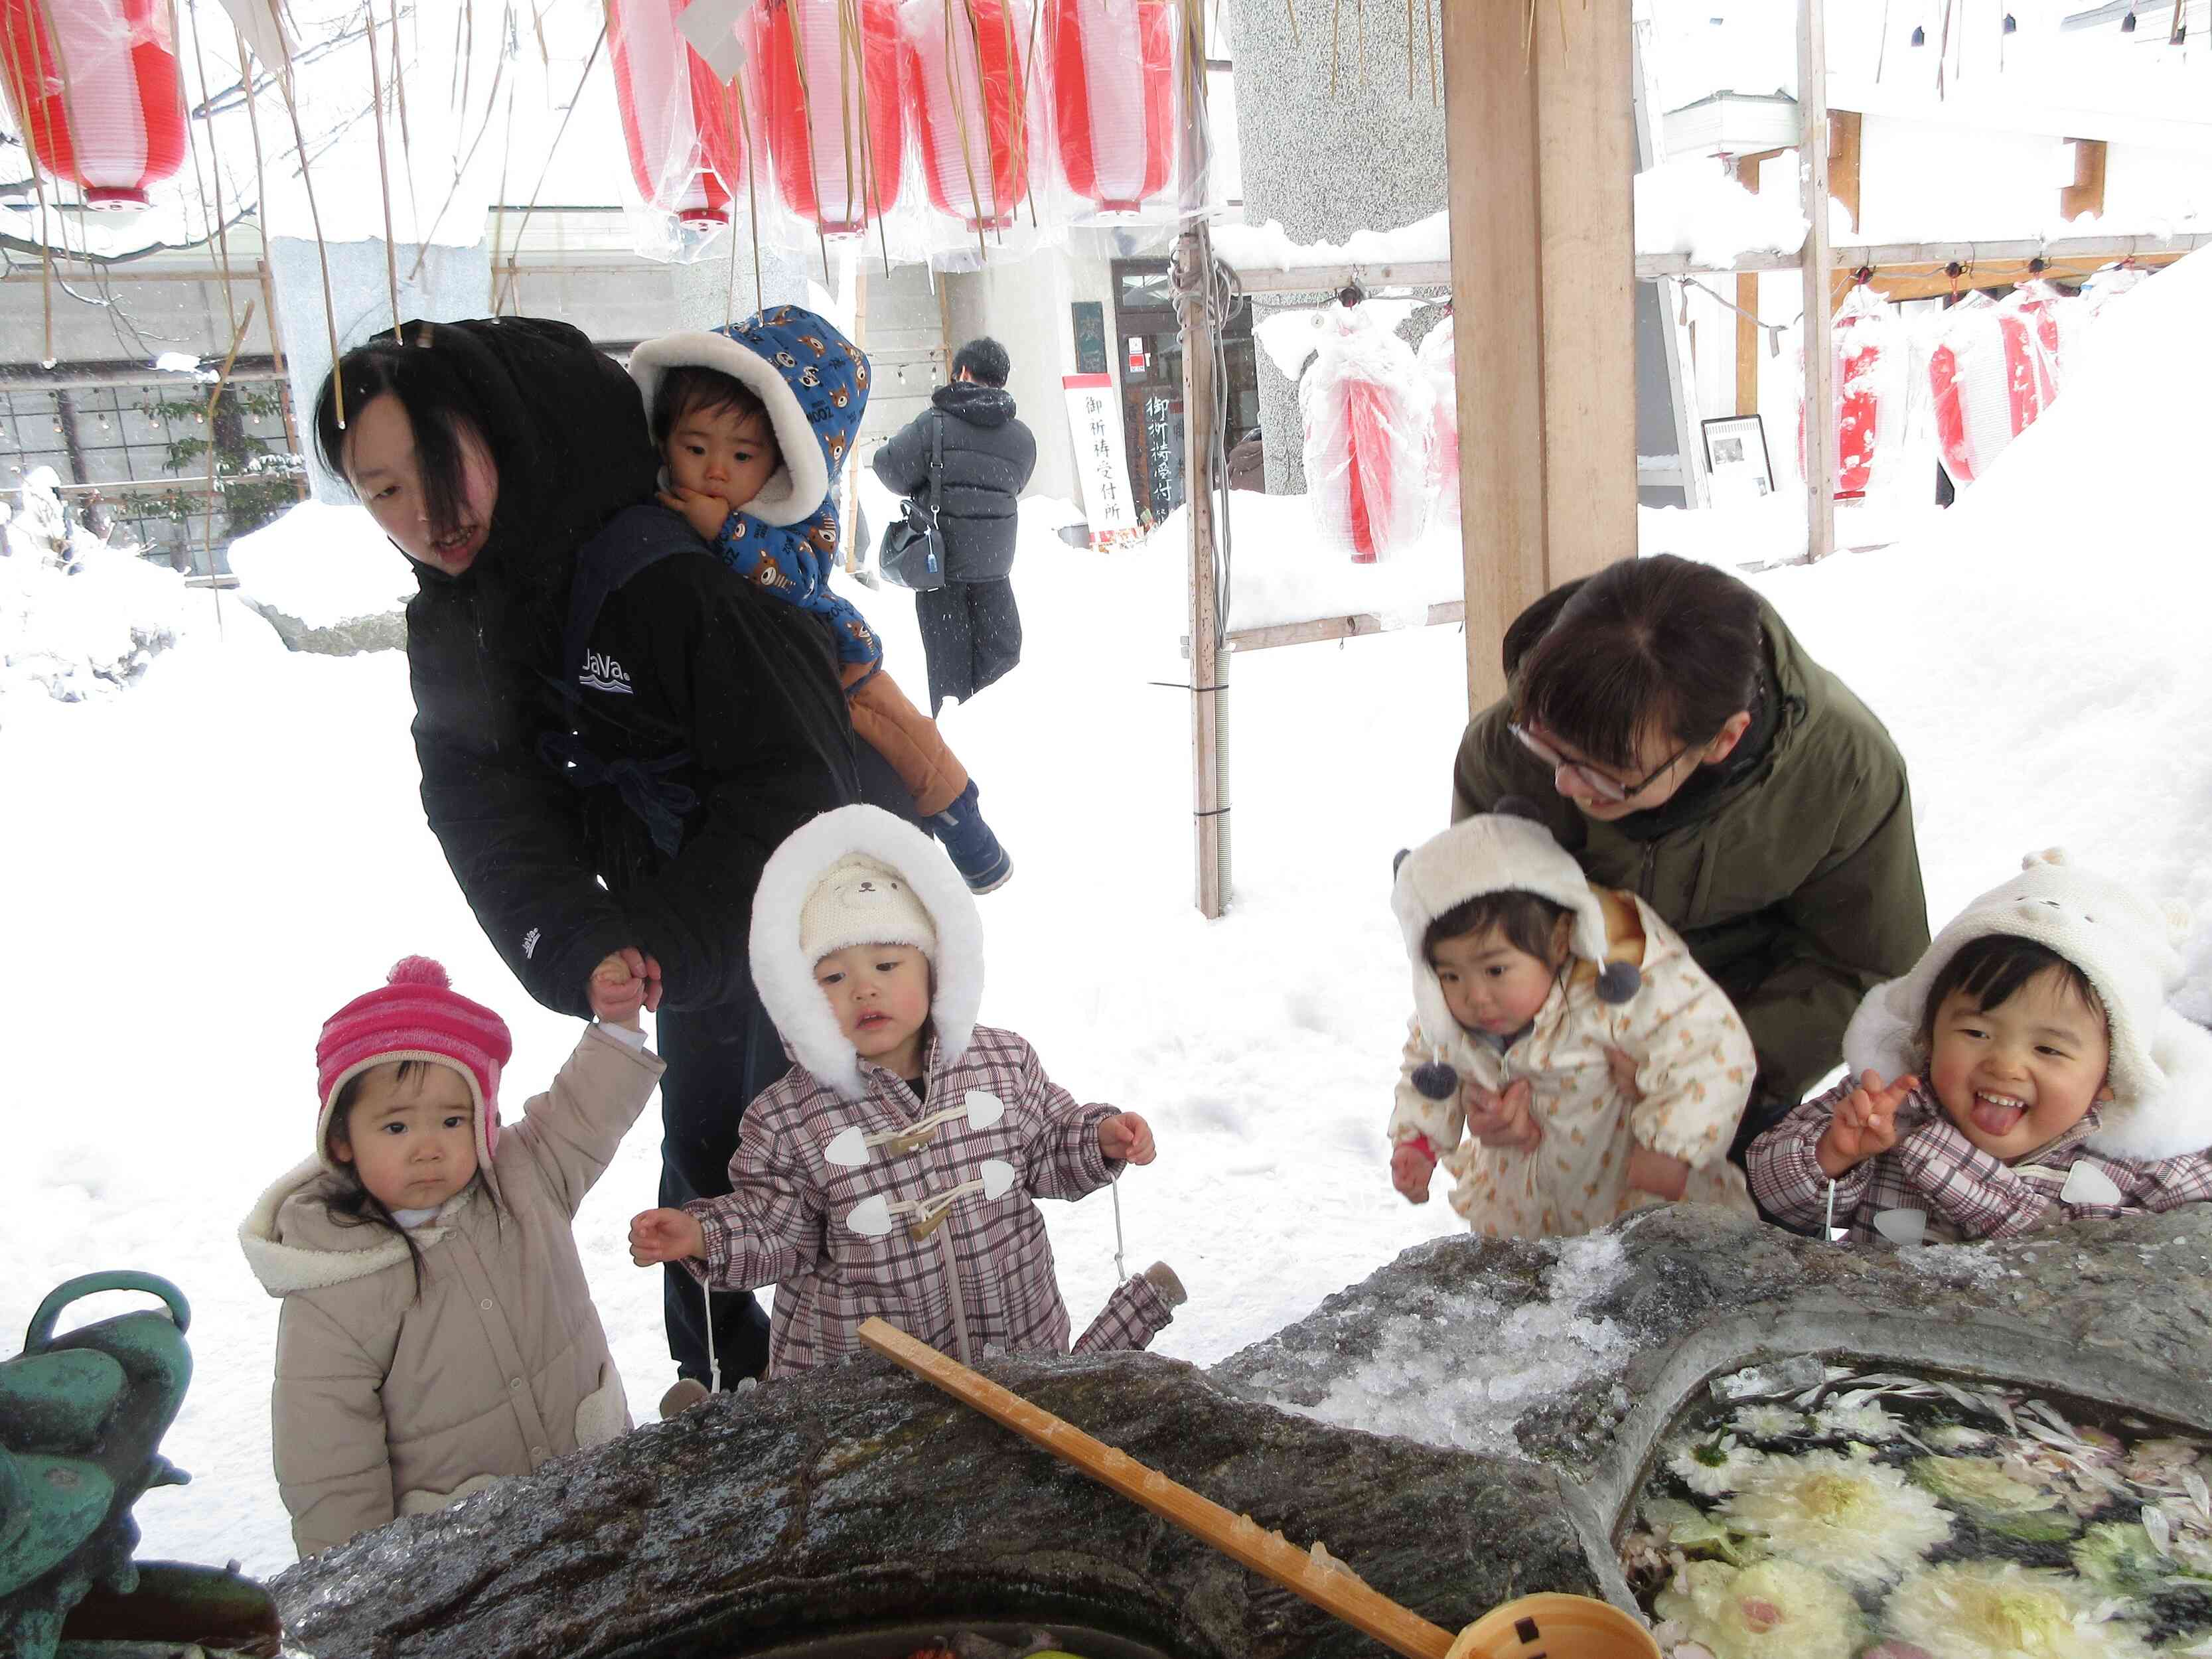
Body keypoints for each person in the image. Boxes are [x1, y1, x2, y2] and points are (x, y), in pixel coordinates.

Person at [314, 317, 859, 1413]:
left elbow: (790, 787)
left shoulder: (661, 581)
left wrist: (674, 934)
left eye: (436, 470)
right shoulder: (465, 611)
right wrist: (575, 942)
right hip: (689, 921)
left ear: (507, 440)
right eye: (378, 491)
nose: (421, 516)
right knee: (716, 1132)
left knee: (832, 1120)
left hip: (817, 903)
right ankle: (722, 1371)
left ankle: (860, 1352)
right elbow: (481, 793)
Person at [627, 805, 1186, 1374]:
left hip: (1016, 1344)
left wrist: (1097, 1140)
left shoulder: (1001, 1063)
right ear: (799, 997)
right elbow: (776, 1225)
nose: (865, 989)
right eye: (834, 977)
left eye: (888, 964)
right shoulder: (787, 1119)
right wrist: (702, 1233)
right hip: (864, 1390)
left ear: (935, 968)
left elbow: (1044, 1148)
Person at [1447, 554, 1929, 1167]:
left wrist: (1700, 1058)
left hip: (1739, 1061)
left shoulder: (1843, 771)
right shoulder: (1504, 748)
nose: (1565, 785)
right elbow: (1478, 941)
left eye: (1604, 774)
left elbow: (1866, 968)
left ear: (1722, 740)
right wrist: (1510, 1061)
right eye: (1550, 750)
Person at [240, 954, 663, 1558]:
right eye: (395, 1128)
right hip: (467, 1561)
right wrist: (359, 1590)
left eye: (451, 1120)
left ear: (484, 1122)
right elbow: (330, 1471)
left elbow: (582, 1114)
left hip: (601, 1494)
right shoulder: (333, 1281)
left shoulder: (526, 1180)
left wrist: (618, 1024)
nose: (428, 1149)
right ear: (341, 1138)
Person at [628, 307, 1012, 893]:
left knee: (905, 737)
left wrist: (728, 532)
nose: (713, 473)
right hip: (749, 691)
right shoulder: (658, 512)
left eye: (741, 456)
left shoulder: (803, 511)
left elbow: (803, 574)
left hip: (837, 660)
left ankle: (965, 826)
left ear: (785, 457)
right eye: (694, 446)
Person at [1745, 851, 2212, 1244]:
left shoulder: (2143, 1167)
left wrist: (1957, 1171)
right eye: (1976, 1033)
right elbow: (1773, 1196)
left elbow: (2154, 1267)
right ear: (1927, 1035)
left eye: (2048, 1049)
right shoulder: (1885, 1110)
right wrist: (1832, 1154)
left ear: (2112, 1076)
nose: (2004, 1064)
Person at [1386, 804, 1759, 1238]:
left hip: (1642, 1209)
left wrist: (1672, 1145)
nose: (1475, 996)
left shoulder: (1614, 999)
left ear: (1560, 939)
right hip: (1521, 1218)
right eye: (1449, 975)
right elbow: (1427, 1074)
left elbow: (1712, 1048)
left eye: (1495, 970)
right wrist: (1415, 1143)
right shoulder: (1444, 1025)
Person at [871, 336, 1036, 717]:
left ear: (962, 372)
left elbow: (888, 467)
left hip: (940, 571)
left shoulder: (933, 426)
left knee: (950, 684)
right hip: (995, 575)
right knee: (1000, 678)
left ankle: (958, 758)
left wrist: (927, 479)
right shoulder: (1023, 440)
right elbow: (1014, 483)